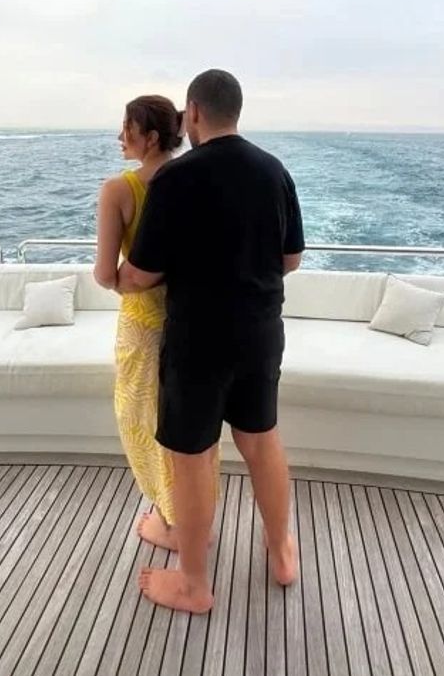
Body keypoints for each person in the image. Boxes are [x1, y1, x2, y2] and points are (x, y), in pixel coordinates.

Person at [117, 69, 305, 613]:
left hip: (198, 341)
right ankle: (281, 551)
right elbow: (291, 259)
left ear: (193, 112)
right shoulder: (274, 170)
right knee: (261, 441)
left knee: (193, 458)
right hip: (261, 333)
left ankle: (194, 585)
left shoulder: (175, 178)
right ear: (235, 111)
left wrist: (116, 278)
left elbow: (143, 273)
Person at [94, 95, 195, 549]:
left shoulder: (120, 190)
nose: (120, 136)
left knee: (143, 422)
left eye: (127, 128)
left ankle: (174, 525)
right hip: (192, 320)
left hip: (143, 326)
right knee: (187, 425)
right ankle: (190, 514)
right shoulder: (195, 179)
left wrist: (132, 281)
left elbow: (105, 275)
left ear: (150, 137)